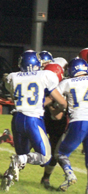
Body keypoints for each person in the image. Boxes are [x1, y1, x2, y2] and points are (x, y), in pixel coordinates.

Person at [1, 50, 67, 191]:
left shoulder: (13, 77)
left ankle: (7, 179)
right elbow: (61, 102)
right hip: (33, 120)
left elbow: (13, 95)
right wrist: (61, 106)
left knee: (23, 155)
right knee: (45, 157)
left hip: (17, 119)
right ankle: (19, 162)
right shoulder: (45, 75)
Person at [55, 57, 88, 192]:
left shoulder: (67, 82)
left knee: (60, 153)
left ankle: (69, 174)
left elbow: (53, 96)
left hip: (78, 121)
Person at [40, 63, 68, 189]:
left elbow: (58, 116)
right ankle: (12, 170)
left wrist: (48, 104)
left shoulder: (61, 88)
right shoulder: (40, 86)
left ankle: (46, 178)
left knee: (54, 152)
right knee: (26, 146)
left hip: (57, 123)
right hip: (43, 119)